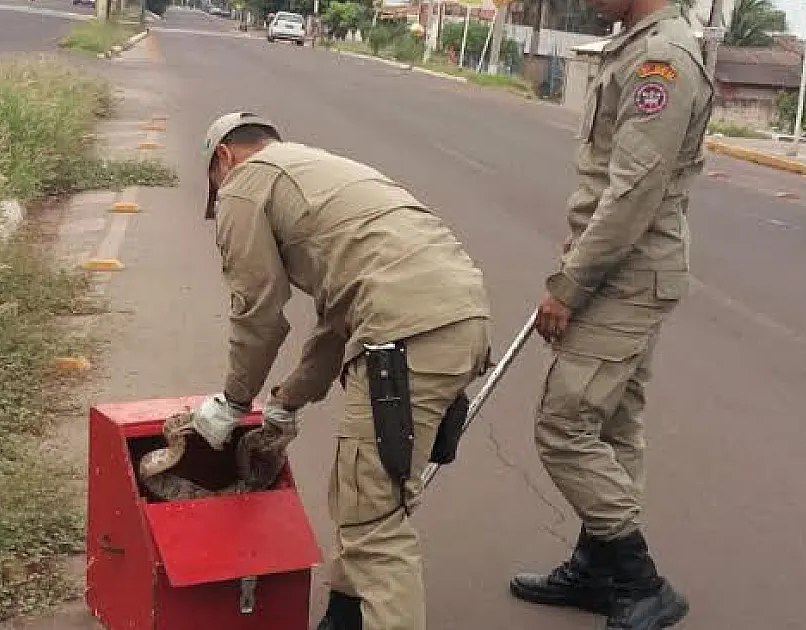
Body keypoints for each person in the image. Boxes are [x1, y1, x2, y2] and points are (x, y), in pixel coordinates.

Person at [190, 112, 492, 630]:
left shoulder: (243, 185)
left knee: (372, 520)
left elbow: (258, 312)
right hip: (460, 319)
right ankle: (348, 615)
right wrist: (287, 399)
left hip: (404, 336)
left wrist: (234, 400)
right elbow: (337, 324)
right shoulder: (319, 172)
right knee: (366, 488)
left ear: (222, 159)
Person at [508, 0, 714, 629]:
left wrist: (569, 287)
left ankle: (640, 579)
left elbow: (632, 192)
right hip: (624, 268)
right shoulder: (638, 45)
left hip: (625, 276)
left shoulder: (661, 59)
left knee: (563, 427)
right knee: (614, 427)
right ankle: (598, 570)